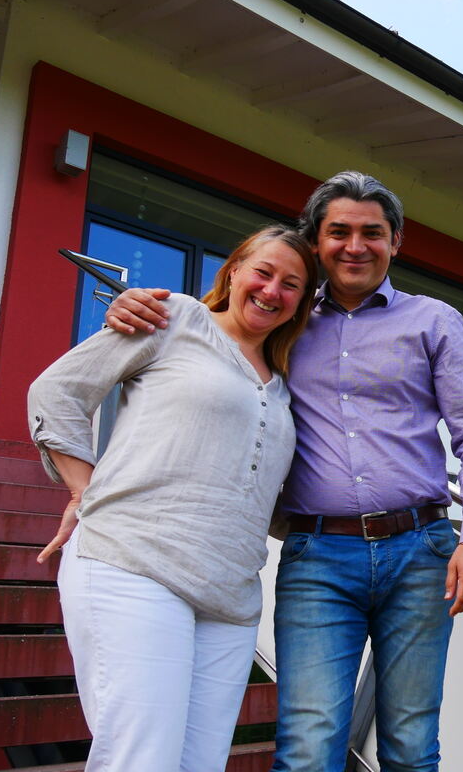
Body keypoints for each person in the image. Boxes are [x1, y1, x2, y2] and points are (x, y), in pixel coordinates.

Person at [105, 171, 463, 772]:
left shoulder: (433, 320)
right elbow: (213, 341)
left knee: (410, 743)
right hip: (318, 556)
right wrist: (135, 306)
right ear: (316, 242)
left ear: (396, 242)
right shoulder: (283, 317)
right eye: (338, 232)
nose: (355, 246)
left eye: (372, 233)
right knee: (309, 747)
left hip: (422, 552)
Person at [29, 225, 318, 772]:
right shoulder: (177, 318)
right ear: (233, 271)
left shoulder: (286, 386)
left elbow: (270, 497)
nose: (272, 291)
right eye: (263, 272)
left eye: (291, 284)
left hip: (231, 600)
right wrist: (82, 489)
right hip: (133, 563)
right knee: (142, 759)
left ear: (302, 302)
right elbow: (57, 391)